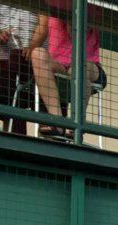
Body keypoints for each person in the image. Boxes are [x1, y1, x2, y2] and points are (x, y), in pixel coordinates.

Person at [30, 12, 105, 140]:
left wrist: (69, 17)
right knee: (37, 53)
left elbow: (75, 34)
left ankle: (76, 123)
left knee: (78, 67)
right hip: (60, 64)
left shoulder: (90, 8)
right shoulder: (52, 6)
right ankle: (57, 121)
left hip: (89, 66)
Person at [0, 0, 41, 136]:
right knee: (6, 107)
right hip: (4, 56)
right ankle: (9, 139)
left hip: (35, 58)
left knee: (36, 104)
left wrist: (33, 46)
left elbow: (45, 23)